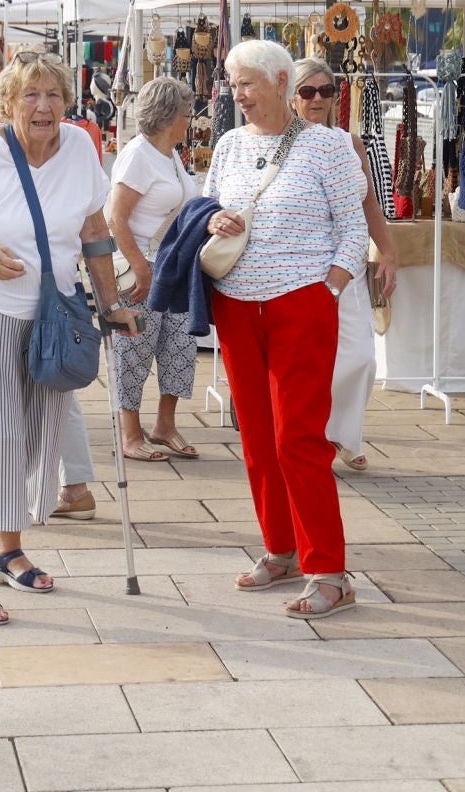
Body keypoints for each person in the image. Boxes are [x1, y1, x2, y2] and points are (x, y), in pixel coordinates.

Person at [0, 51, 137, 624]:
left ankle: (5, 546)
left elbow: (93, 228)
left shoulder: (80, 148)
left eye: (54, 95)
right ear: (7, 103)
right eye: (31, 95)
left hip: (53, 312)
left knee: (37, 431)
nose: (44, 106)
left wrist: (111, 303)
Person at [203, 39, 367, 620]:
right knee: (255, 434)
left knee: (298, 437)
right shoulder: (228, 144)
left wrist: (328, 290)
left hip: (302, 304)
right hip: (235, 304)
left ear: (280, 82)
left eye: (247, 83)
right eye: (233, 84)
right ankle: (281, 548)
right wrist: (214, 219)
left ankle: (330, 571)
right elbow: (205, 208)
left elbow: (353, 229)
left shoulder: (328, 145)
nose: (238, 95)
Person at [57, 77, 200, 521]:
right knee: (135, 350)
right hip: (142, 267)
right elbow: (114, 218)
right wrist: (140, 265)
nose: (190, 118)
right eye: (186, 111)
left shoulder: (170, 154)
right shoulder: (139, 155)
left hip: (172, 266)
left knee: (179, 347)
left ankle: (165, 424)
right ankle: (130, 433)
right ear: (169, 116)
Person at [291, 57, 399, 472]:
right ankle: (320, 436)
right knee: (307, 360)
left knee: (360, 358)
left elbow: (368, 202)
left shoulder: (350, 143)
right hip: (299, 268)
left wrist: (387, 252)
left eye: (325, 91)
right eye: (307, 91)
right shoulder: (282, 141)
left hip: (347, 265)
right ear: (292, 96)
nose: (317, 99)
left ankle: (341, 433)